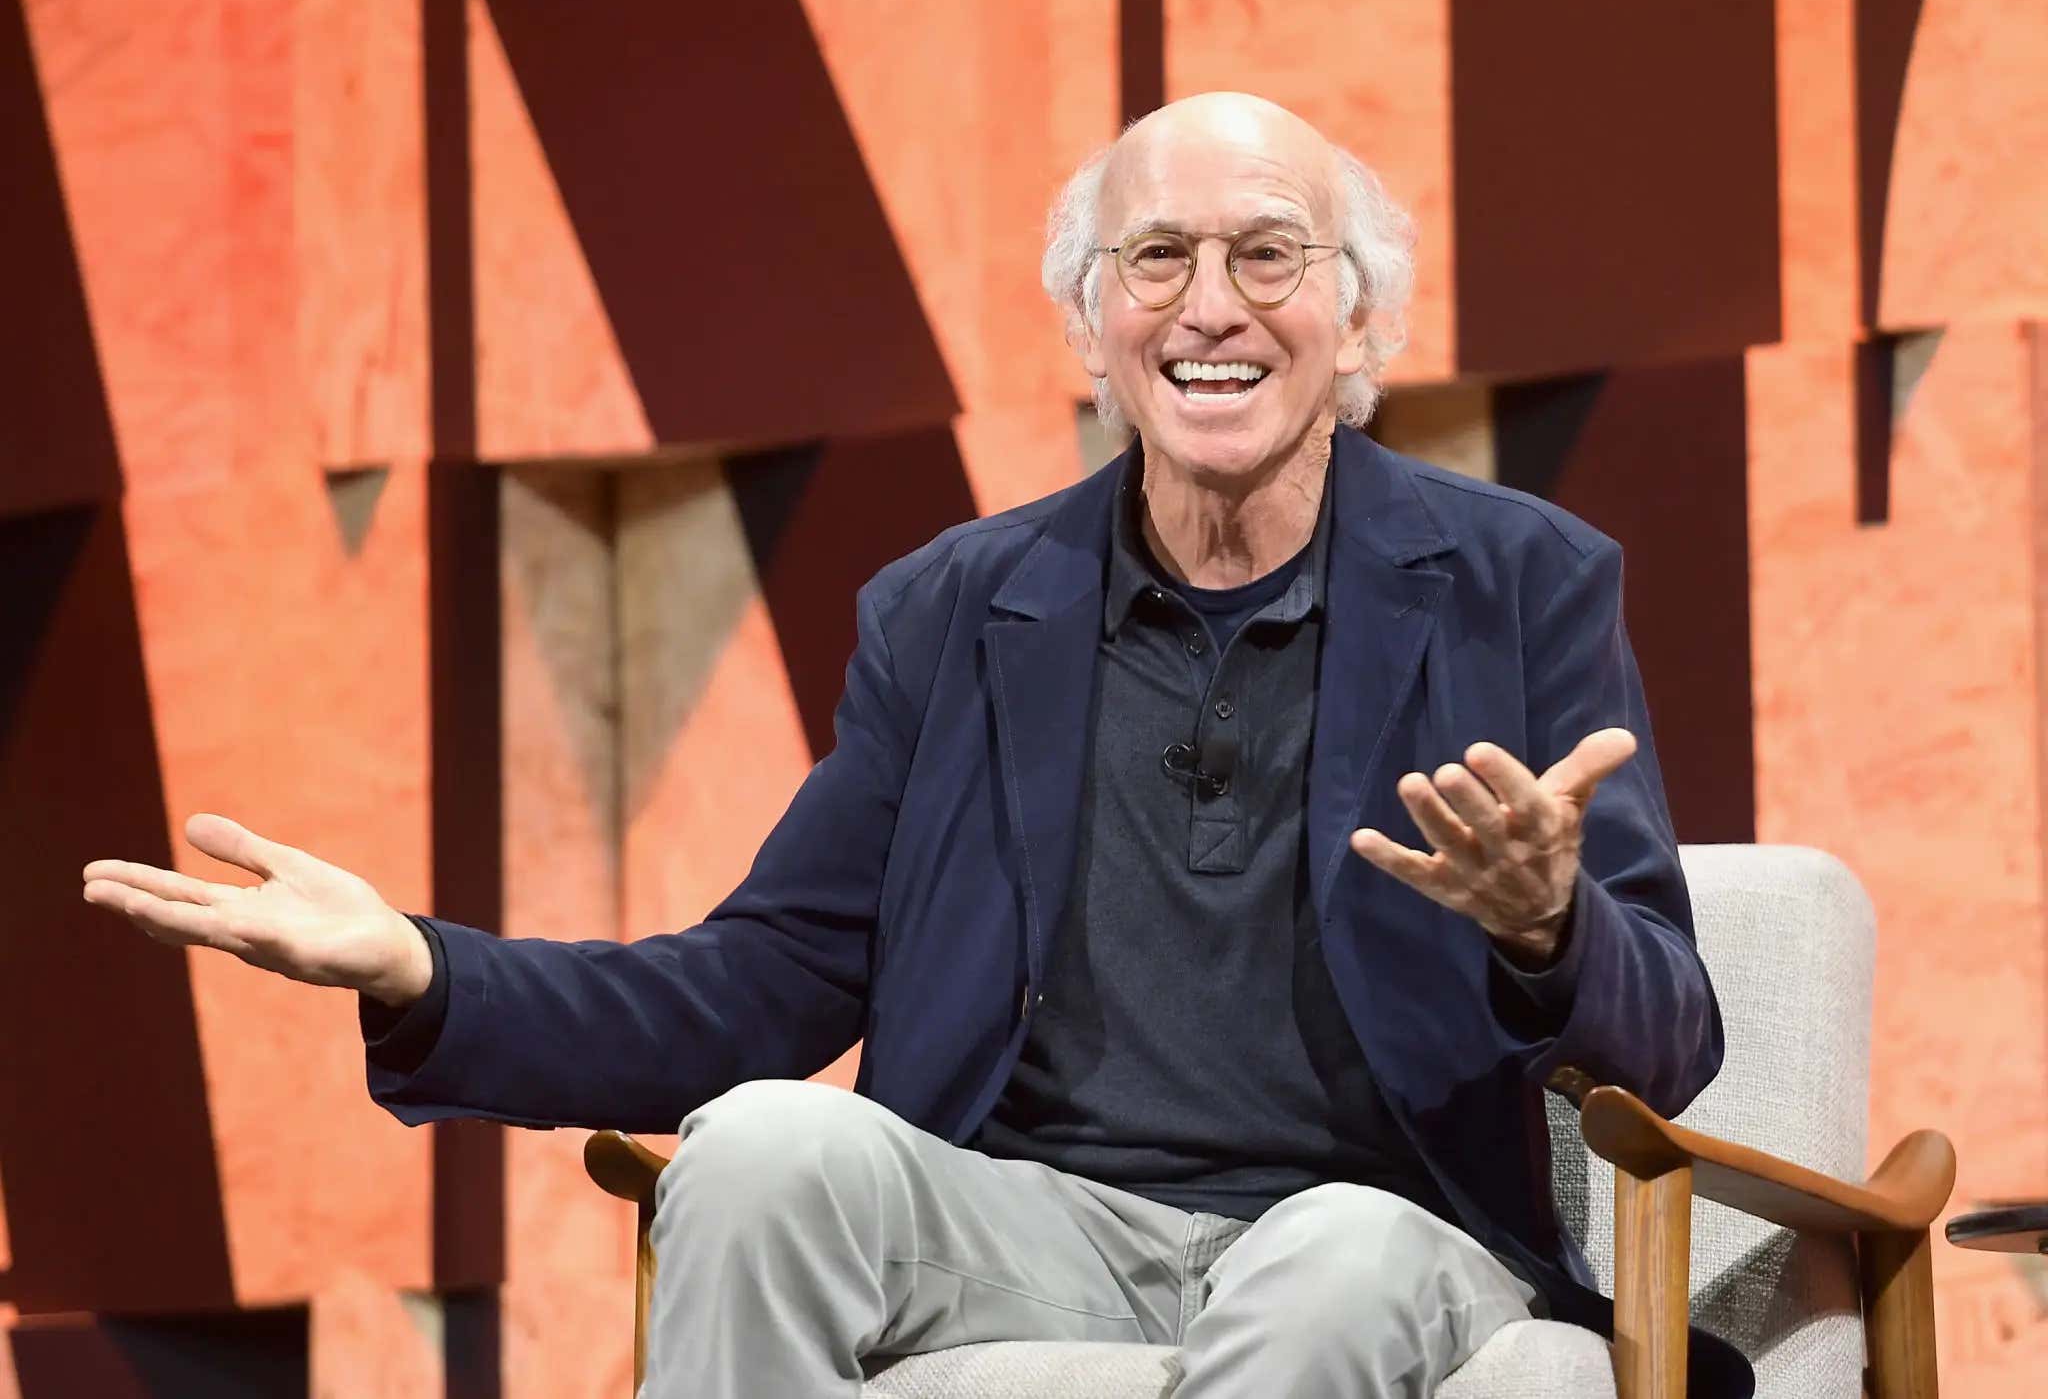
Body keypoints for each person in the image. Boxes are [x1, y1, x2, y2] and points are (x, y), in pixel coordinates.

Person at [83, 92, 1732, 1397]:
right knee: (761, 1147)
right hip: (1035, 1223)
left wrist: (1548, 929)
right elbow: (748, 993)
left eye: (1269, 254)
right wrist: (421, 972)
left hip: (1379, 1232)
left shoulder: (1518, 583)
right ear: (1091, 329)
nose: (1207, 306)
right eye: (1153, 259)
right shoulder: (958, 609)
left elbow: (1674, 1036)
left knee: (1332, 1270)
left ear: (1359, 324)